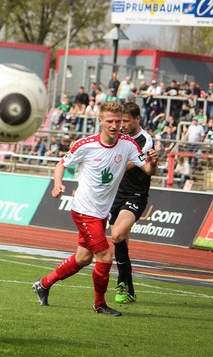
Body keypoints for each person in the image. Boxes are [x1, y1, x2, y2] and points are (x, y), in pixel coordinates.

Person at [32, 100, 157, 316]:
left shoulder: (128, 144)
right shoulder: (86, 144)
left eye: (118, 121)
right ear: (100, 121)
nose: (114, 125)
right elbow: (61, 164)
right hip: (84, 210)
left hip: (101, 212)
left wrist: (153, 164)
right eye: (109, 121)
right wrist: (57, 184)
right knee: (105, 257)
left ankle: (43, 284)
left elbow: (147, 169)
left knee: (83, 258)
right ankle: (99, 304)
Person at [108, 102, 154, 304]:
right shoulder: (118, 136)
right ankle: (129, 290)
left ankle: (121, 283)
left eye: (126, 121)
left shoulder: (145, 140)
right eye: (121, 121)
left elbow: (131, 163)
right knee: (121, 244)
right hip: (116, 195)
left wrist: (108, 169)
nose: (122, 125)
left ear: (137, 119)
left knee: (117, 235)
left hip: (135, 194)